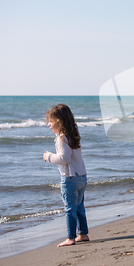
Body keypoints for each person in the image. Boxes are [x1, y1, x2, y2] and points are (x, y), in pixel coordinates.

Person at [43, 104, 89, 247]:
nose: (48, 124)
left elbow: (64, 158)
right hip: (81, 176)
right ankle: (83, 234)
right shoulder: (73, 135)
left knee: (70, 208)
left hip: (70, 178)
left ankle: (71, 237)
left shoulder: (62, 138)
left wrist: (48, 156)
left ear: (60, 121)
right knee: (79, 207)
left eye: (51, 121)